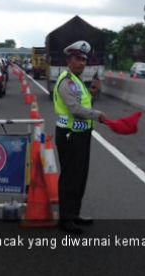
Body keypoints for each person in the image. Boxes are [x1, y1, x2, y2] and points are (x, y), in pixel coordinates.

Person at [53, 40, 108, 235]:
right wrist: (98, 115)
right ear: (69, 60)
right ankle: (66, 219)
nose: (82, 63)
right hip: (69, 135)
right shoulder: (66, 80)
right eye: (78, 59)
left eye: (84, 59)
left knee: (80, 177)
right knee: (70, 178)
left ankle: (74, 214)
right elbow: (75, 110)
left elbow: (84, 104)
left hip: (81, 134)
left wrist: (92, 92)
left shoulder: (77, 82)